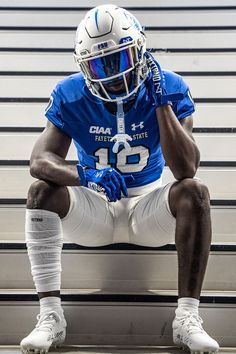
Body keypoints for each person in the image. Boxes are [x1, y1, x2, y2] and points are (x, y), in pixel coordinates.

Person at [20, 4, 219, 354]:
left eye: (120, 59)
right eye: (99, 64)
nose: (111, 73)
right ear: (83, 65)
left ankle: (186, 318)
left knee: (196, 192)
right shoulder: (71, 93)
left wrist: (160, 103)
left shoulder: (168, 86)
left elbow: (186, 169)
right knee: (40, 191)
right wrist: (86, 174)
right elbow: (39, 160)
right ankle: (50, 316)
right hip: (95, 207)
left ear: (140, 51)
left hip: (148, 207)